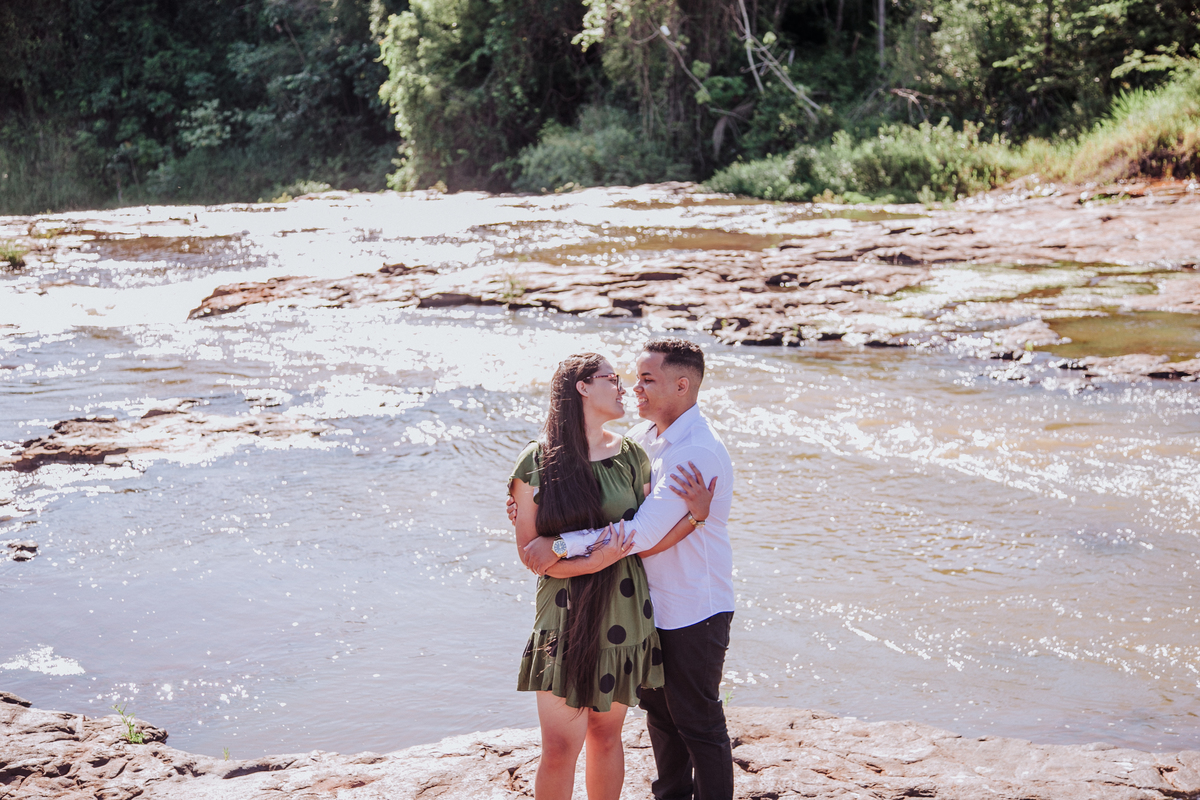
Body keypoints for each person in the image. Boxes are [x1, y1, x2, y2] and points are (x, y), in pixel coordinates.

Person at [519, 338, 736, 800]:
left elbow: (641, 533)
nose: (633, 388)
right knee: (661, 718)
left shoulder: (694, 450)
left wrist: (562, 545)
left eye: (645, 379)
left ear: (681, 385)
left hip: (690, 606)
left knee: (697, 724)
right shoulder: (642, 439)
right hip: (641, 607)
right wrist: (534, 514)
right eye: (625, 378)